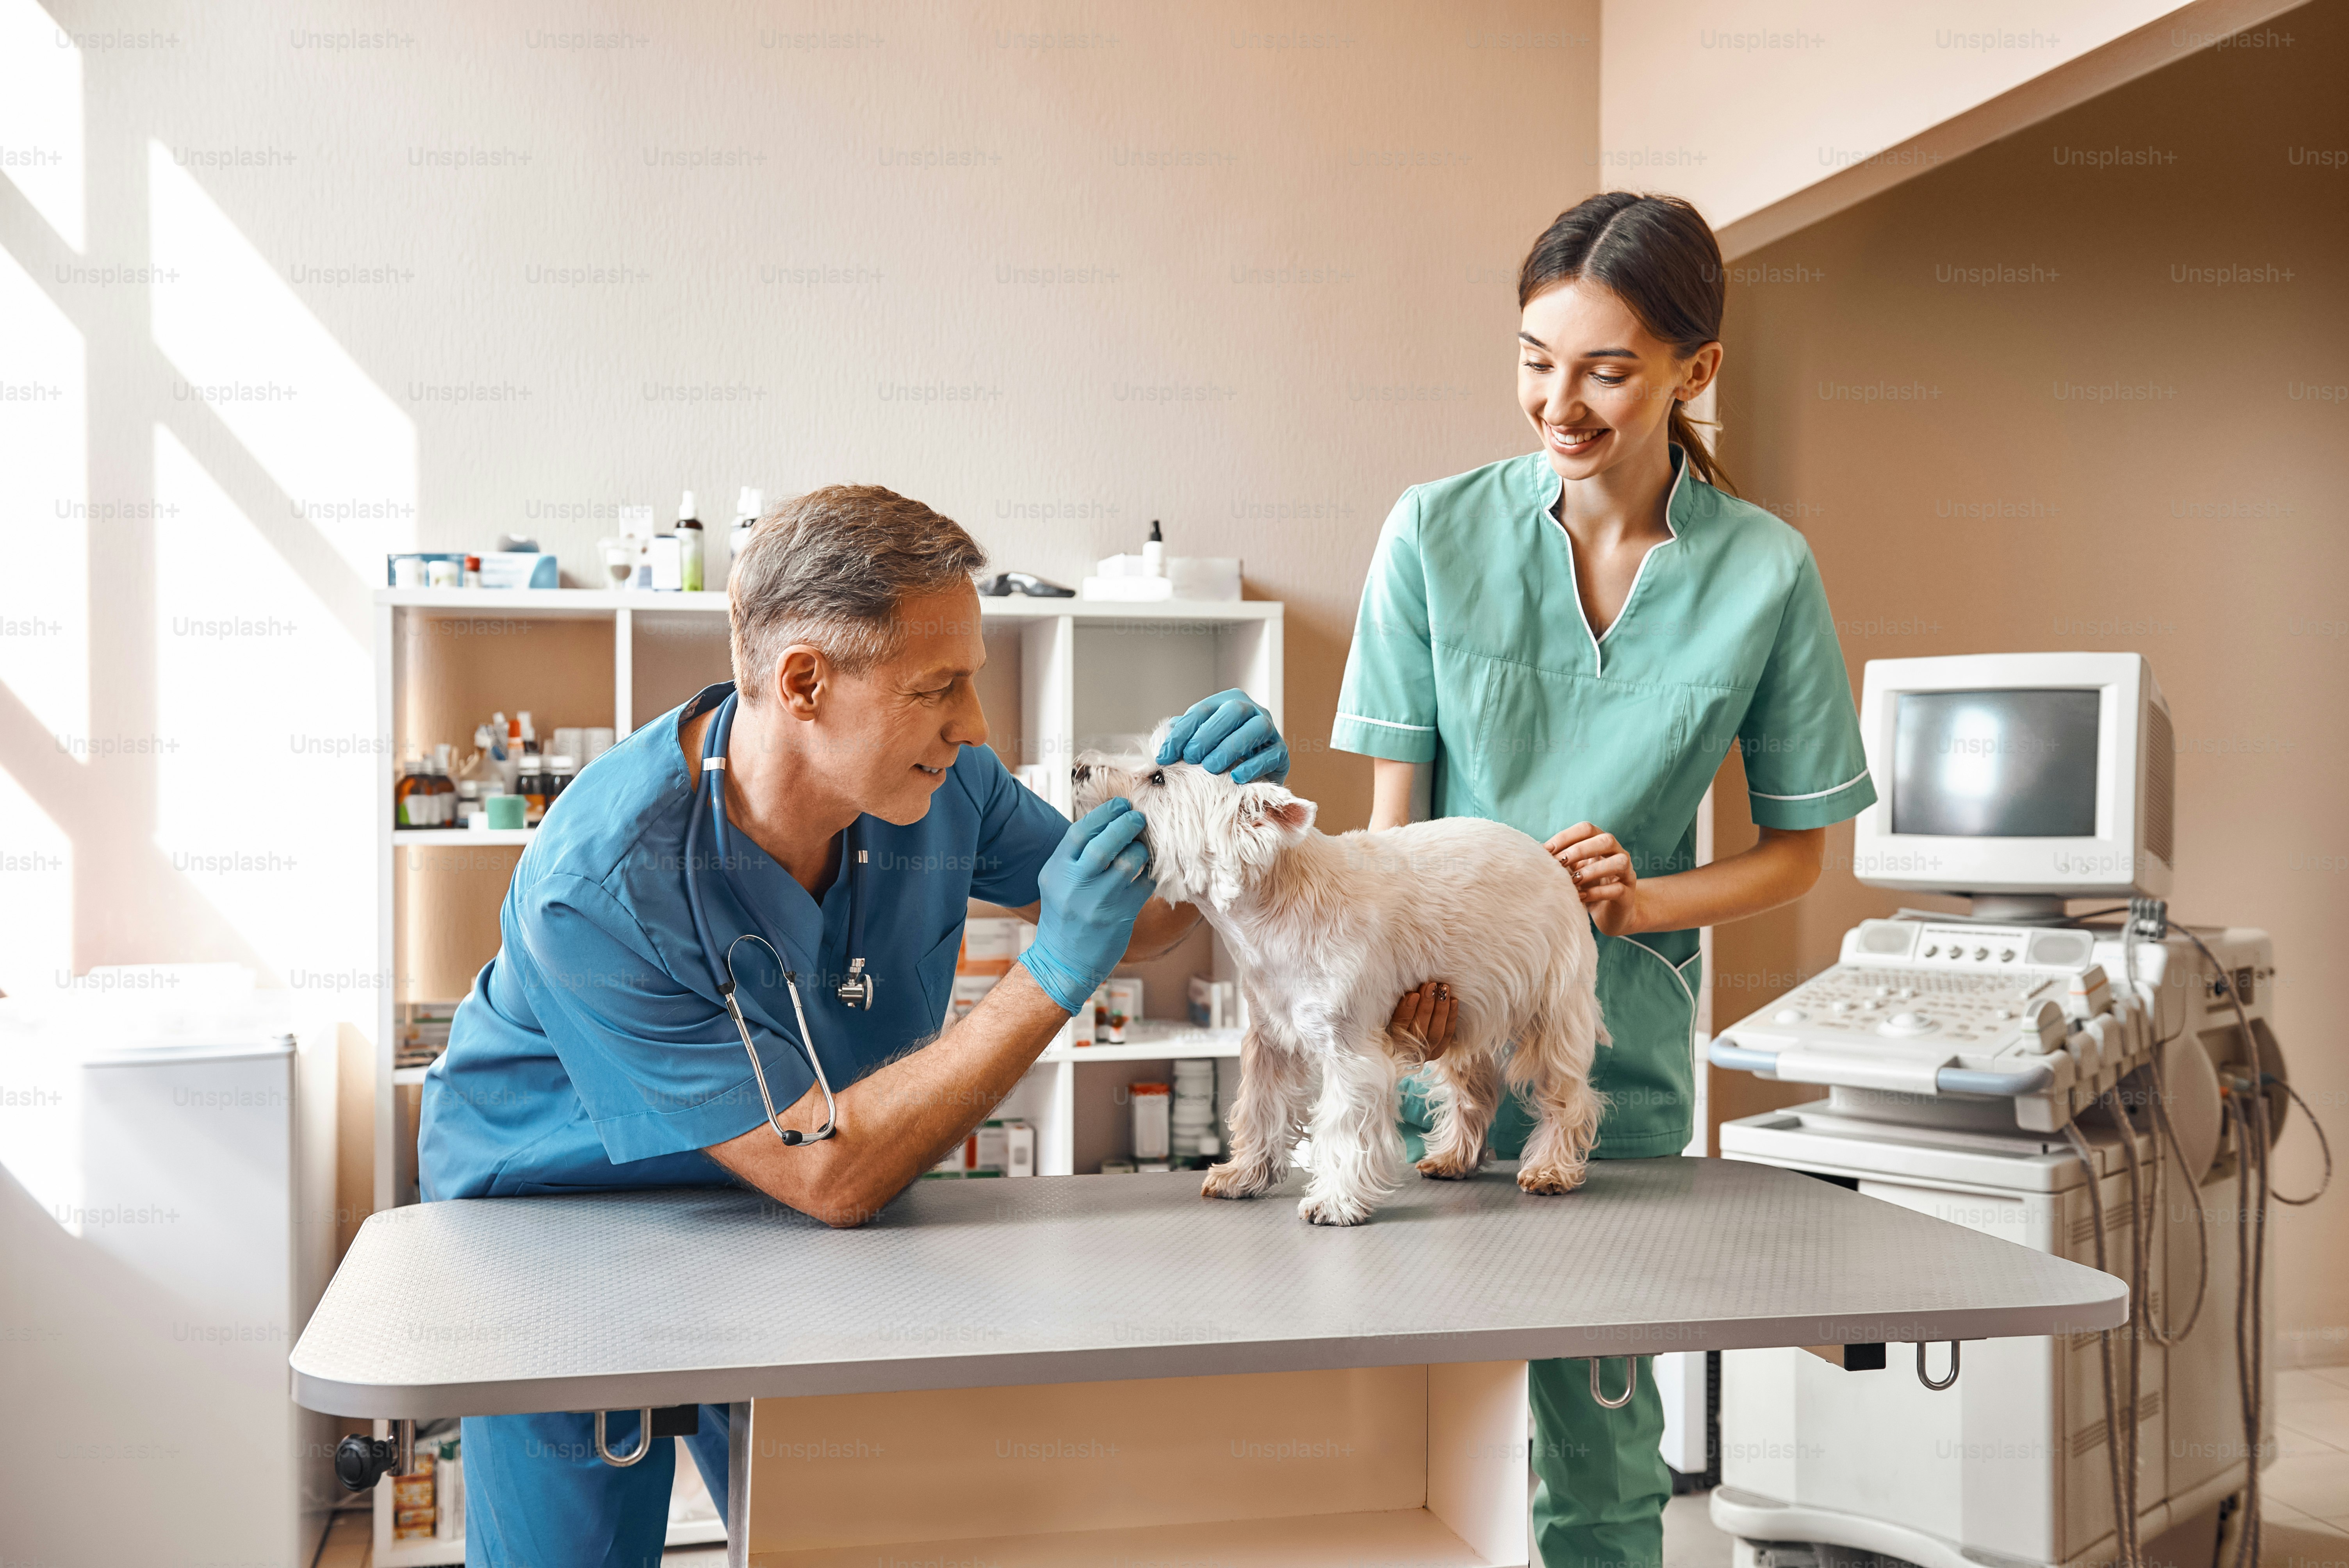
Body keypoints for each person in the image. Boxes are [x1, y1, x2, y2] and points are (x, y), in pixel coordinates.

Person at [417, 485, 1292, 1568]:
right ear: (803, 684)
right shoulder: (599, 882)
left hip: (787, 1224)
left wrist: (1206, 817)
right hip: (559, 1235)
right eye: (941, 689)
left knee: (839, 1532)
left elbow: (1140, 920)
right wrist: (1052, 972)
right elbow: (831, 1173)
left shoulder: (947, 786)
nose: (977, 725)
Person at [1331, 192, 1877, 1568]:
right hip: (1436, 1039)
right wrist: (1399, 1002)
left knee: (1598, 1444)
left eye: (1605, 369)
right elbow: (1388, 830)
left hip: (1613, 1062)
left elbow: (1799, 854)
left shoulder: (1765, 572)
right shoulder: (1433, 534)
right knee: (1402, 1432)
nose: (1556, 403)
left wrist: (1643, 903)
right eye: (1533, 358)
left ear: (1696, 371)